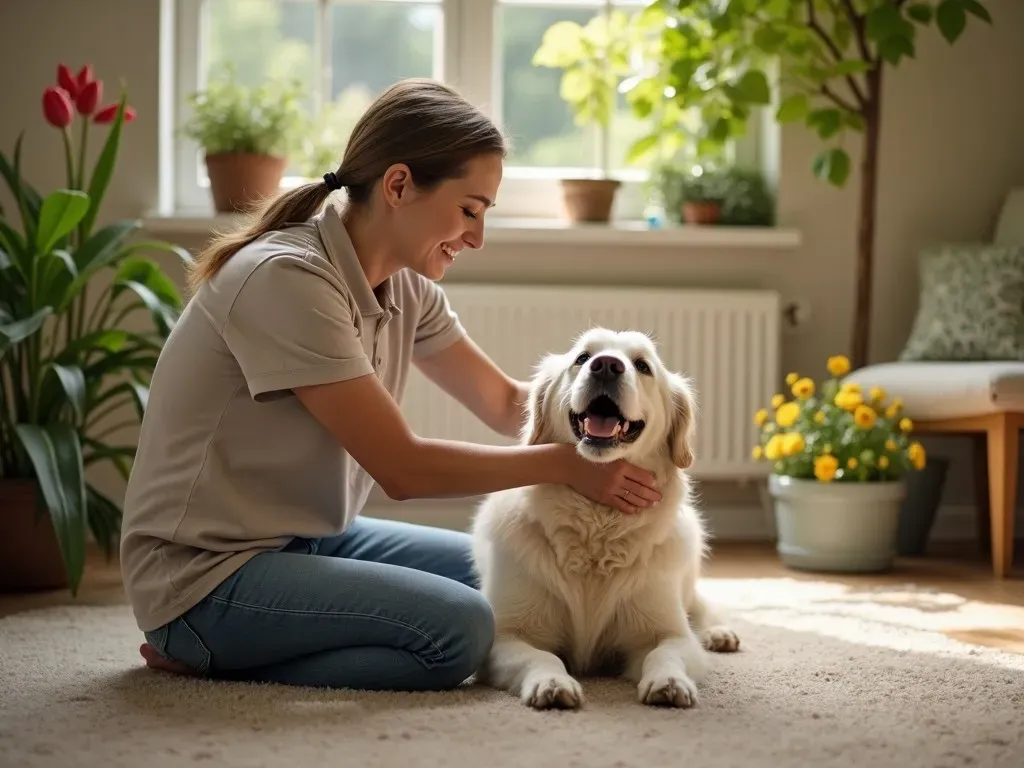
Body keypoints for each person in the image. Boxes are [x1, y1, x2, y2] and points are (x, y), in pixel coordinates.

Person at [120, 78, 663, 693]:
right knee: (460, 629)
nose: (476, 238)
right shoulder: (287, 280)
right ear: (399, 185)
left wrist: (617, 423)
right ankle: (205, 653)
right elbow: (404, 469)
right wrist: (564, 466)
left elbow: (504, 403)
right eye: (469, 210)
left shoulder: (406, 289)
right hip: (205, 576)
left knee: (507, 566)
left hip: (307, 539)